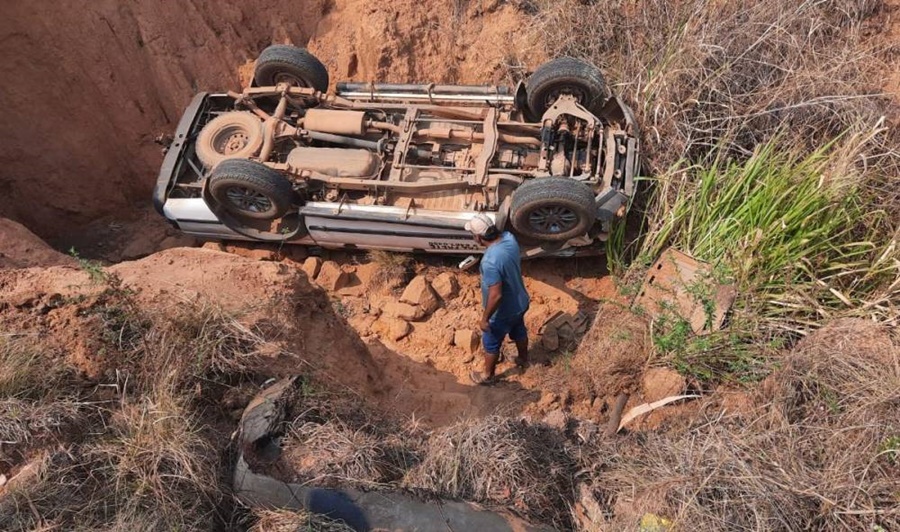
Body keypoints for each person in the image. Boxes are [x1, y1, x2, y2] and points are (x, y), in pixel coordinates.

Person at [464, 213, 530, 385]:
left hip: (502, 312)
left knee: (491, 342)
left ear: (478, 237)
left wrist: (485, 318)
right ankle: (523, 359)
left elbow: (496, 294)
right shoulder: (509, 238)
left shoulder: (489, 262)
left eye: (473, 234)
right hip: (521, 302)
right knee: (519, 330)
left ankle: (488, 376)